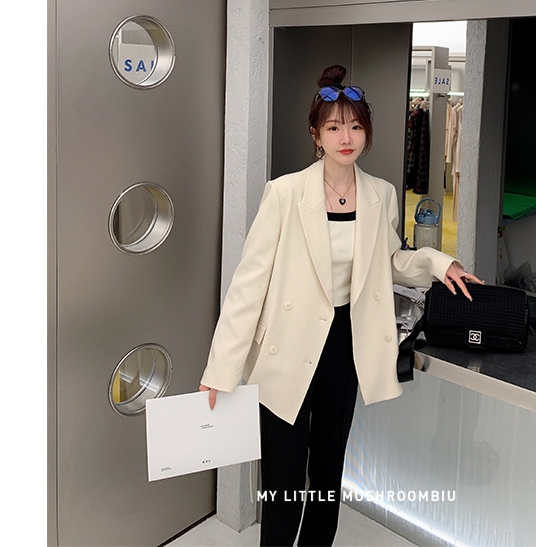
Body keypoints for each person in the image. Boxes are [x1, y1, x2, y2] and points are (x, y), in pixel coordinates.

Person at [199, 64, 482, 547]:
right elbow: (249, 283)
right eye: (333, 127)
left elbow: (388, 260)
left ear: (367, 133)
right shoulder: (285, 193)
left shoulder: (381, 194)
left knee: (328, 472)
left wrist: (439, 263)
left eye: (354, 127)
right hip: (288, 347)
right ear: (316, 135)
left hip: (345, 344)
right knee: (284, 480)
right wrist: (220, 368)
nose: (345, 137)